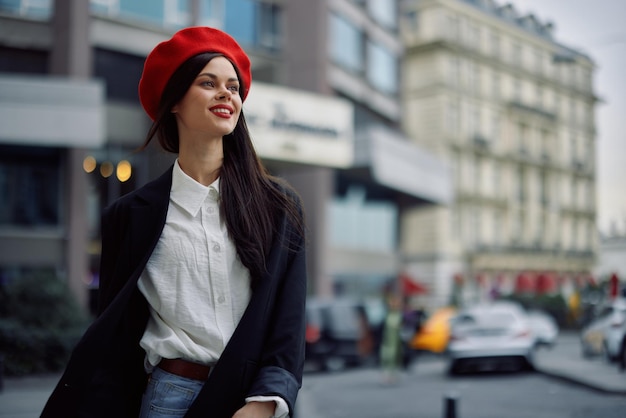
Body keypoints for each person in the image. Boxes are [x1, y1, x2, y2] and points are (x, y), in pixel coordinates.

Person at [41, 26, 307, 418]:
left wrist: (265, 403)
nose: (226, 94)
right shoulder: (129, 216)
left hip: (251, 403)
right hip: (168, 398)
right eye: (208, 82)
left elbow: (289, 321)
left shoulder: (278, 206)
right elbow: (118, 339)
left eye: (233, 87)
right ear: (175, 101)